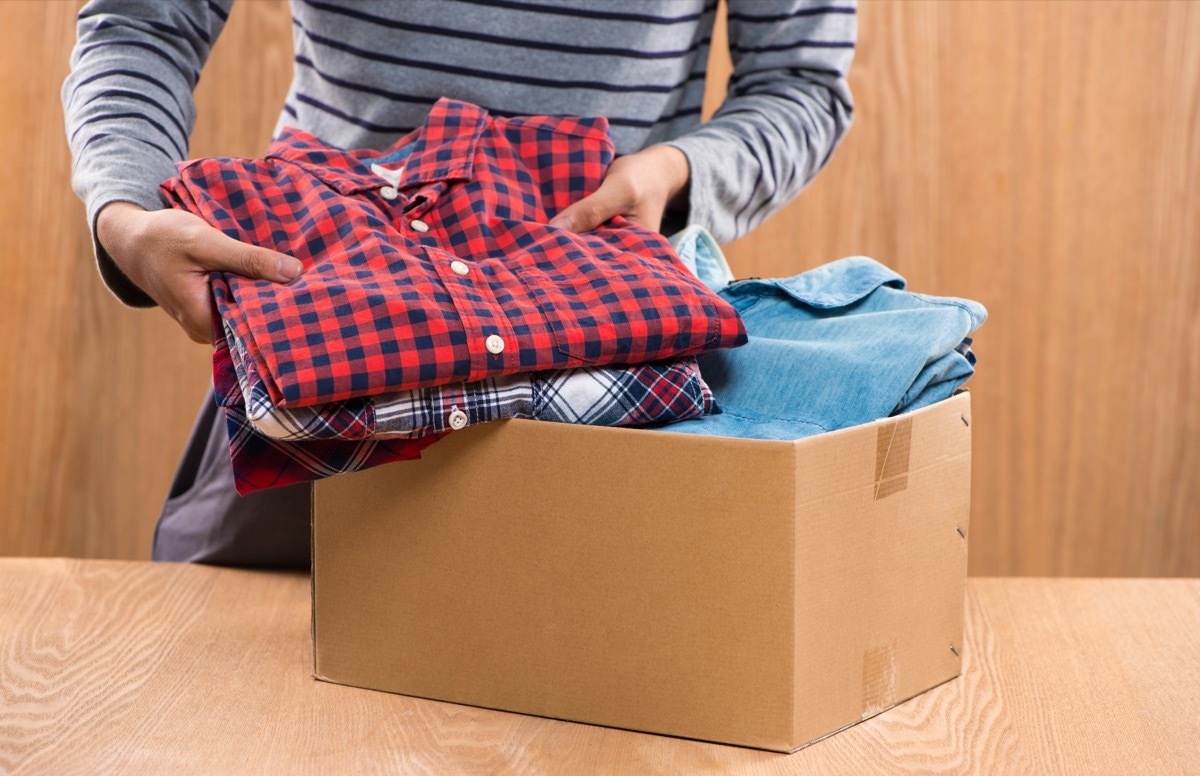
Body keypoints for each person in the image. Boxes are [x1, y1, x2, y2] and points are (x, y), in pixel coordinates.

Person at [62, 0, 857, 568]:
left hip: (612, 356)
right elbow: (141, 20)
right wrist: (125, 212)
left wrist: (676, 173)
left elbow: (801, 81)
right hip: (324, 334)